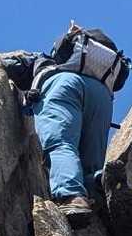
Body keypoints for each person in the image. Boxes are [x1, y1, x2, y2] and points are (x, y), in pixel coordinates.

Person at [26, 24, 126, 224]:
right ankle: (101, 183)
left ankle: (72, 197)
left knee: (60, 143)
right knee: (92, 162)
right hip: (102, 98)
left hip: (65, 86)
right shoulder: (105, 67)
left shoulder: (42, 61)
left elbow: (11, 64)